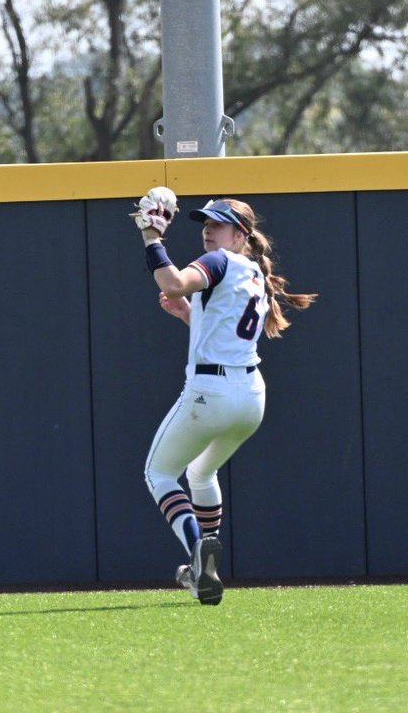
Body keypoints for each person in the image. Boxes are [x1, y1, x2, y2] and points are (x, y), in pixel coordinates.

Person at [132, 190, 317, 605]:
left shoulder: (220, 261)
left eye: (219, 224)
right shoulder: (253, 272)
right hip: (250, 397)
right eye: (206, 224)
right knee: (200, 474)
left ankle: (200, 561)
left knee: (159, 475)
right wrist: (188, 315)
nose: (209, 231)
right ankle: (209, 550)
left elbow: (173, 282)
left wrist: (151, 237)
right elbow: (220, 330)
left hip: (210, 393)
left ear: (241, 235)